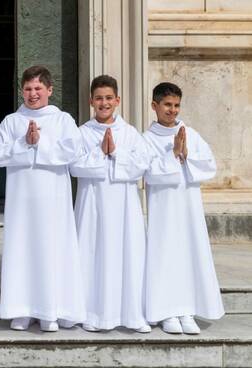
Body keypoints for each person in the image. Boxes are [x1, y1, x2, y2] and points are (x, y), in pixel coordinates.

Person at [0, 65, 85, 332]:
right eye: (28, 89)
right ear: (22, 91)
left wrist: (39, 144)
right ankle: (21, 309)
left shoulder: (63, 120)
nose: (33, 94)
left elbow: (73, 152)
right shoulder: (11, 122)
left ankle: (51, 310)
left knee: (51, 249)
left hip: (53, 200)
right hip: (22, 201)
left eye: (38, 89)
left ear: (49, 90)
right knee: (22, 248)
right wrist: (24, 143)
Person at [70, 75, 151, 333]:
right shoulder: (81, 133)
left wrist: (115, 152)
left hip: (124, 206)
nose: (103, 103)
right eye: (98, 98)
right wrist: (99, 153)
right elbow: (73, 166)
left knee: (127, 253)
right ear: (91, 101)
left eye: (108, 98)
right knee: (93, 253)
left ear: (117, 100)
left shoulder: (130, 133)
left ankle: (131, 314)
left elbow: (141, 166)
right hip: (92, 204)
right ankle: (93, 313)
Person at [144, 82, 224, 334]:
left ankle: (187, 308)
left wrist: (186, 154)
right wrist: (172, 155)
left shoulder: (191, 133)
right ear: (154, 106)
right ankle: (167, 311)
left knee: (188, 252)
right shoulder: (146, 139)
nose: (173, 110)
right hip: (163, 206)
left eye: (177, 105)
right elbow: (147, 173)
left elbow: (209, 165)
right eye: (167, 105)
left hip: (188, 205)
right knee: (165, 253)